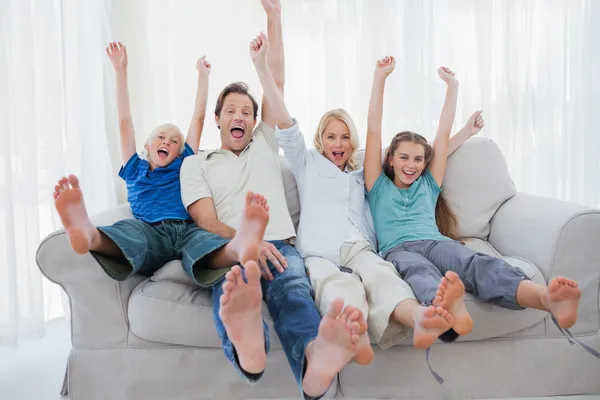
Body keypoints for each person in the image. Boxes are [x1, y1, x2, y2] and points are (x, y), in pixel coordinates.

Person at [179, 5, 368, 399]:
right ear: (218, 120)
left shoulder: (266, 143)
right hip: (231, 250)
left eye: (246, 111)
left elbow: (275, 79)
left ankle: (316, 362)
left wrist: (274, 16)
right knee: (230, 292)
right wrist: (247, 242)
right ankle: (250, 351)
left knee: (295, 294)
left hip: (282, 246)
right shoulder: (195, 163)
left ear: (253, 121)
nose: (240, 116)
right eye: (230, 110)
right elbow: (205, 220)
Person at [363, 56, 582, 347]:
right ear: (390, 159)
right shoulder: (377, 186)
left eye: (418, 159)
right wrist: (380, 79)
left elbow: (442, 134)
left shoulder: (428, 184)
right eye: (403, 157)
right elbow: (373, 131)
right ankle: (447, 315)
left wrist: (452, 87)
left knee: (474, 263)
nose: (411, 165)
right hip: (397, 249)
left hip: (436, 242)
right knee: (420, 273)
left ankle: (545, 298)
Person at [53, 42, 227, 284]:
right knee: (130, 232)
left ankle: (239, 251)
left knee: (207, 242)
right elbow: (124, 120)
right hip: (150, 230)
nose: (167, 141)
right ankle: (90, 235)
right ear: (147, 145)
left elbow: (198, 118)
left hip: (186, 230)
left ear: (180, 152)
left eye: (174, 140)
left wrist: (203, 76)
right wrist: (120, 70)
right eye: (161, 137)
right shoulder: (135, 168)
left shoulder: (184, 163)